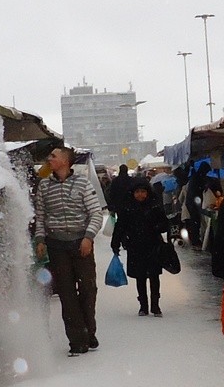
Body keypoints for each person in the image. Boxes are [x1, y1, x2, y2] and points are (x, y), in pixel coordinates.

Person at [34, 146, 103, 356]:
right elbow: (40, 216)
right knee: (66, 294)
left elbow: (96, 213)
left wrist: (88, 238)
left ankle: (88, 331)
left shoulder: (82, 183)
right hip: (57, 247)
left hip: (80, 244)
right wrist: (40, 239)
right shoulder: (44, 187)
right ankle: (77, 340)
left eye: (53, 156)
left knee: (88, 290)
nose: (49, 158)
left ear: (65, 161)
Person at [111, 180, 169, 317]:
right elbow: (120, 226)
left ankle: (155, 305)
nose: (140, 195)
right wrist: (116, 242)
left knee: (154, 276)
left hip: (153, 245)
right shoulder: (128, 208)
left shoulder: (155, 206)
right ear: (133, 193)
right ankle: (143, 305)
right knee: (140, 276)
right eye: (137, 192)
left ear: (148, 193)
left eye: (143, 191)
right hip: (135, 246)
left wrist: (156, 228)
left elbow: (165, 224)